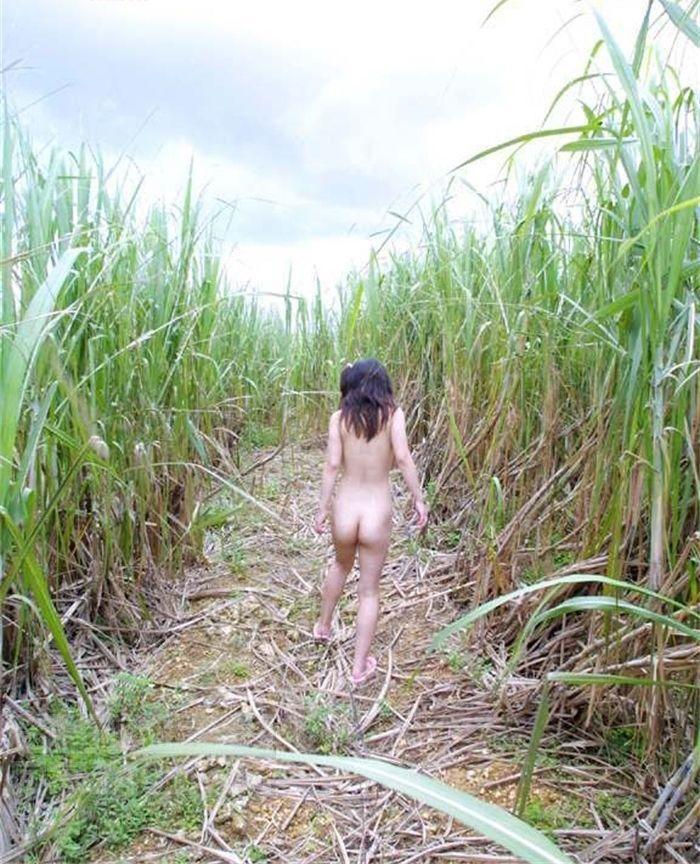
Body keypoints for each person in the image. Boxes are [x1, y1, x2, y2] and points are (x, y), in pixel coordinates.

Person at [312, 359, 428, 686]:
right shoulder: (393, 415)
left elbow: (331, 465)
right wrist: (418, 499)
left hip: (345, 510)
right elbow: (403, 458)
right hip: (376, 512)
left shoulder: (339, 419)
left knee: (339, 566)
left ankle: (323, 627)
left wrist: (322, 508)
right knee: (369, 592)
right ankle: (358, 667)